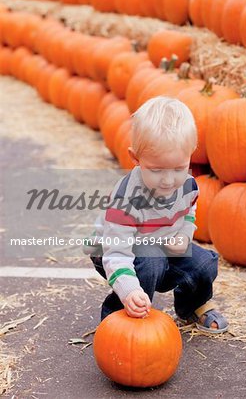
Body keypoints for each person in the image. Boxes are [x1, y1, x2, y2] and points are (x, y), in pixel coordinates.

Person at [84, 96, 228, 333]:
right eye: (157, 170)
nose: (169, 180)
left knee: (204, 262)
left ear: (192, 153)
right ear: (135, 159)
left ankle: (191, 306)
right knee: (151, 262)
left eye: (179, 168)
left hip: (159, 245)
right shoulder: (127, 200)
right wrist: (130, 290)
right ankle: (121, 318)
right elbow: (116, 253)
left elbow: (189, 212)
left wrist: (184, 234)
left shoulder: (188, 185)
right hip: (114, 251)